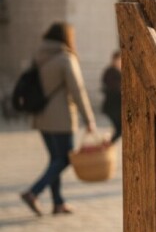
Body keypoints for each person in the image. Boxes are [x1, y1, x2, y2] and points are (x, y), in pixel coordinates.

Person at [20, 22, 96, 216]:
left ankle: (58, 203)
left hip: (41, 117)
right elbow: (77, 90)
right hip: (61, 118)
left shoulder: (38, 56)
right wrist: (89, 119)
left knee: (56, 159)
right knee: (65, 159)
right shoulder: (65, 58)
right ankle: (33, 192)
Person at [101, 50, 122, 143]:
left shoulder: (117, 72)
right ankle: (108, 144)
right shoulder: (111, 72)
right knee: (120, 128)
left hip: (115, 106)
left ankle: (108, 143)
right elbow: (114, 88)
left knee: (119, 129)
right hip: (112, 106)